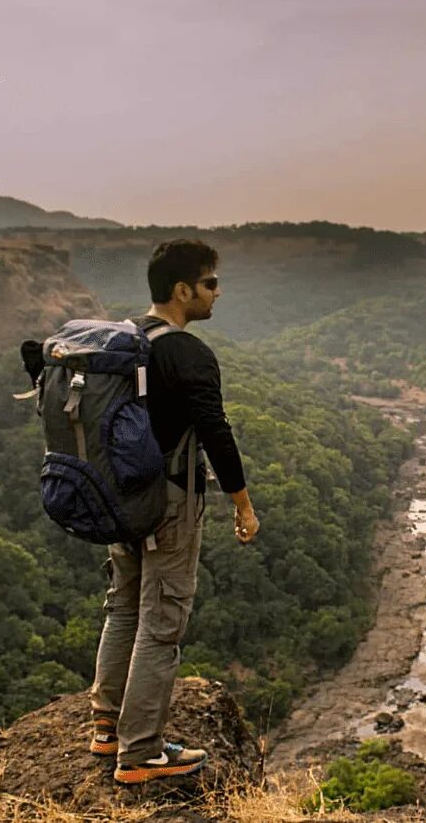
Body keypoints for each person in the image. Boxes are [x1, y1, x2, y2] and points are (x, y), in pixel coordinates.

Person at [88, 238, 260, 784]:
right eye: (210, 283)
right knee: (162, 623)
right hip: (169, 503)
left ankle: (107, 727)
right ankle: (140, 752)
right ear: (183, 290)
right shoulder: (187, 352)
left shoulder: (127, 339)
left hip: (120, 498)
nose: (218, 292)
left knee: (123, 608)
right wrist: (243, 506)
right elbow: (215, 433)